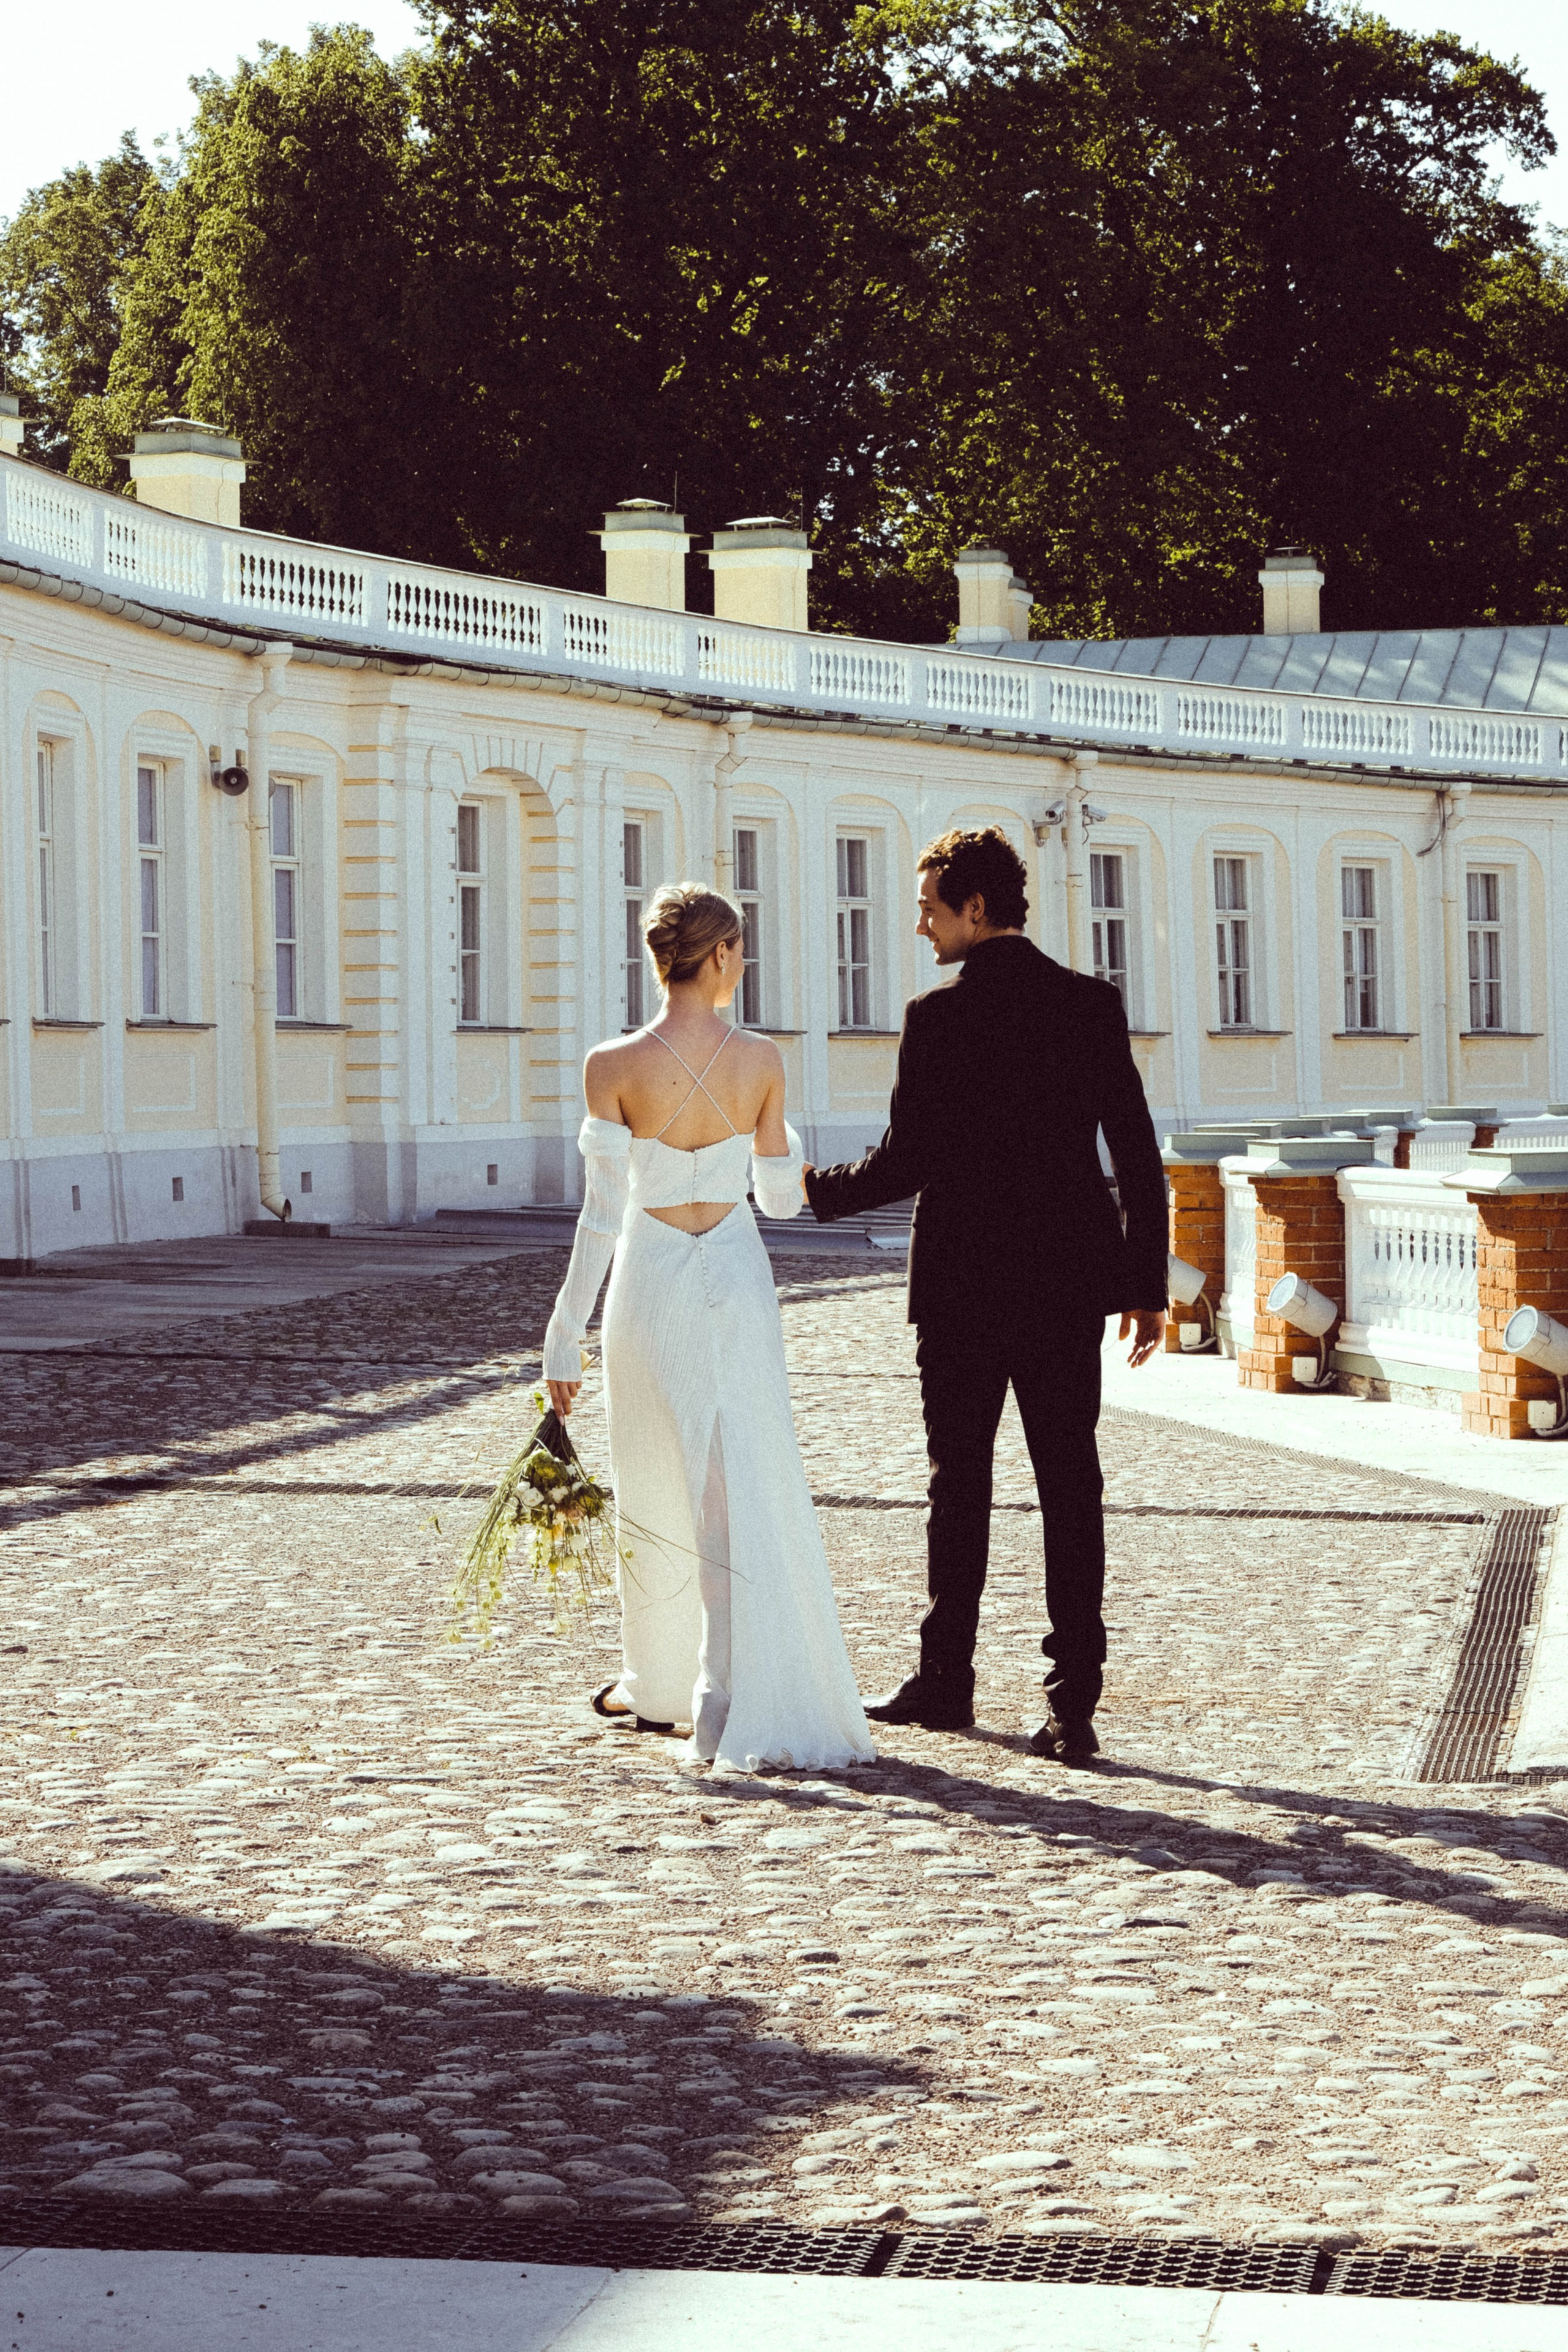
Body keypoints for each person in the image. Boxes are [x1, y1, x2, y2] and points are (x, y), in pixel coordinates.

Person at [804, 826, 1167, 1763]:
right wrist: (1147, 1285)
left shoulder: (937, 1017)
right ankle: (1071, 1702)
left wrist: (816, 1192)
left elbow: (907, 1161)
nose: (918, 925)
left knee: (956, 1487)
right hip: (1063, 1284)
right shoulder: (1091, 1005)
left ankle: (945, 1679)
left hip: (962, 1286)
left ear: (975, 908)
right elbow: (1134, 1148)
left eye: (929, 907)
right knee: (1068, 1487)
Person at [543, 881, 875, 1776]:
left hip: (647, 1280)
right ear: (722, 955)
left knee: (650, 1476)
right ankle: (719, 1693)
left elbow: (601, 1217)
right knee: (738, 1479)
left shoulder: (609, 1065)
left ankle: (658, 1681)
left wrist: (561, 1335)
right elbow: (773, 1198)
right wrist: (785, 1147)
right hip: (731, 1272)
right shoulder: (761, 1060)